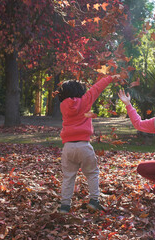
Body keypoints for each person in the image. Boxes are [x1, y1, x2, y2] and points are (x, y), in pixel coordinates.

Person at [58, 75, 119, 213]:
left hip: (68, 147)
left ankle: (65, 206)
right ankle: (94, 200)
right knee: (92, 173)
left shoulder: (63, 106)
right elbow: (97, 88)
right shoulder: (85, 101)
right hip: (84, 145)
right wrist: (110, 78)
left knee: (68, 176)